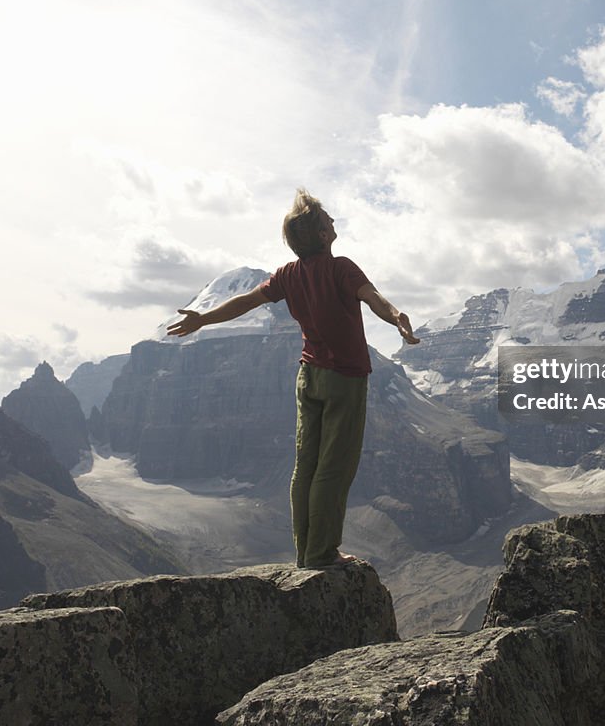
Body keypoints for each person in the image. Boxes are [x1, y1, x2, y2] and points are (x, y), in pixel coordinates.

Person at [167, 189, 419, 569]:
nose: (333, 222)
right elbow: (371, 297)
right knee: (335, 466)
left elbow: (246, 301)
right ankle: (322, 554)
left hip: (309, 377)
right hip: (344, 380)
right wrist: (397, 316)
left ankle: (306, 552)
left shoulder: (288, 275)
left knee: (305, 466)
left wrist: (204, 319)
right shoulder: (341, 268)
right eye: (327, 219)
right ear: (321, 235)